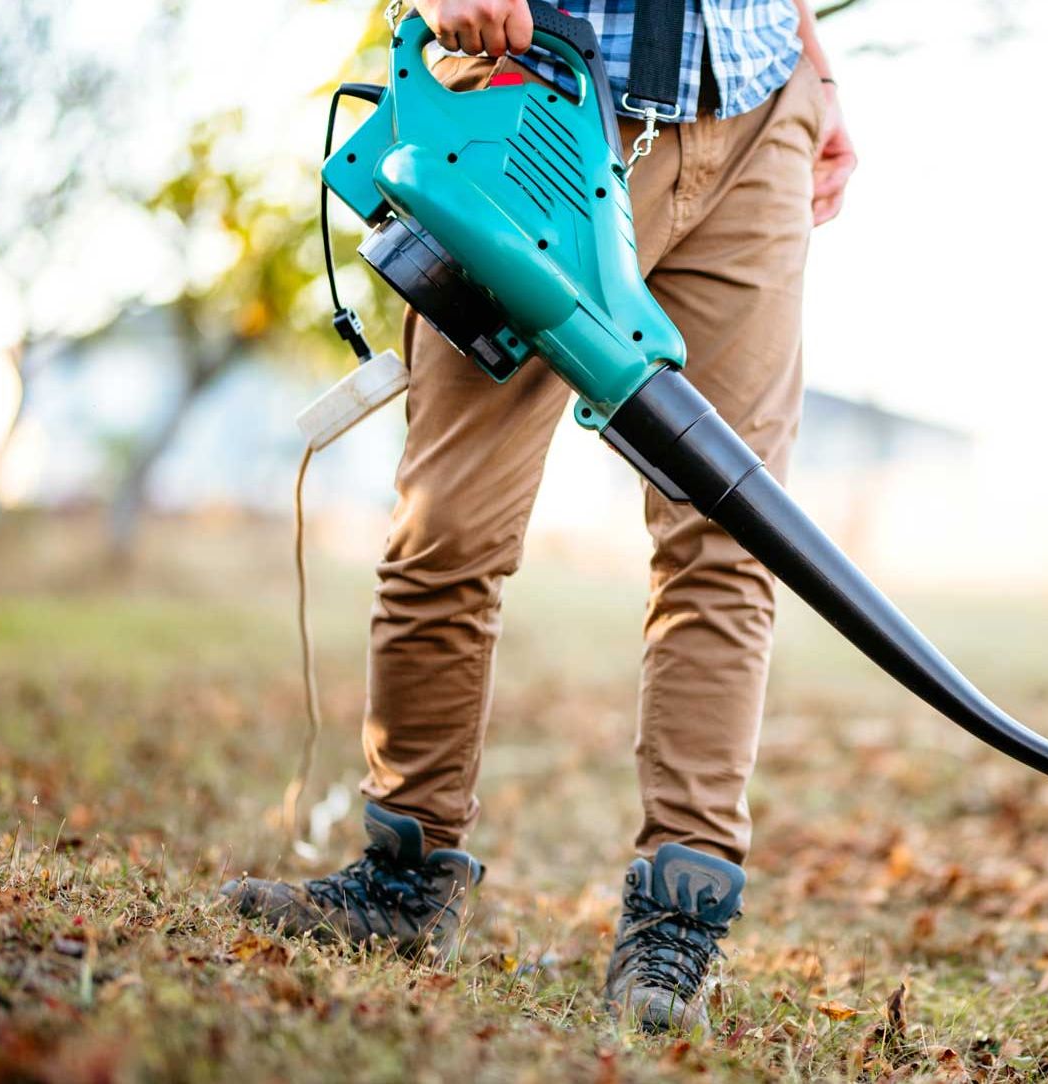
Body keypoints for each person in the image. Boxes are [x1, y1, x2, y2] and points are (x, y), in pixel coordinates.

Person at [222, 0, 858, 1035]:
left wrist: (815, 67)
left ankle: (679, 918)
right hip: (542, 81)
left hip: (753, 110)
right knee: (452, 524)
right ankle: (403, 879)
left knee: (727, 532)